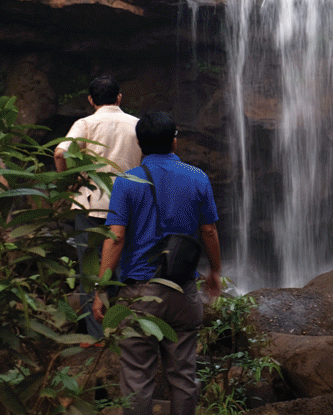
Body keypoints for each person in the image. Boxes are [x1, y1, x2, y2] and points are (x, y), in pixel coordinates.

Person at [93, 111, 222, 415]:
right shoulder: (198, 177)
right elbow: (209, 230)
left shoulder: (126, 182)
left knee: (137, 377)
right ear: (175, 141)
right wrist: (215, 271)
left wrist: (102, 289)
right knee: (184, 376)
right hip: (182, 290)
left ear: (139, 143)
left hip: (139, 294)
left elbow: (115, 238)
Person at [55, 75, 142, 339]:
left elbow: (60, 153)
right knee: (125, 269)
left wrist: (69, 184)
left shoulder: (86, 124)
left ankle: (95, 338)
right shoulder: (137, 125)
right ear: (119, 98)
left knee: (90, 271)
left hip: (92, 205)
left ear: (91, 100)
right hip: (129, 207)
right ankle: (123, 333)